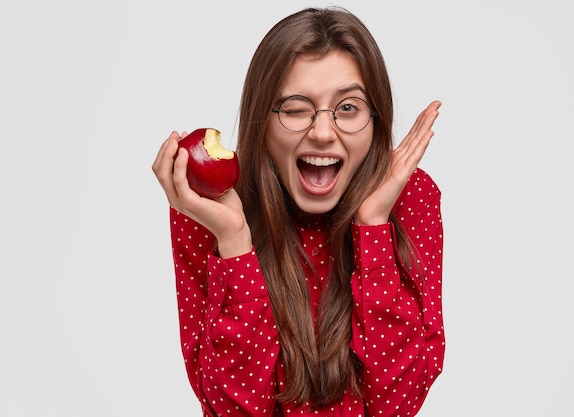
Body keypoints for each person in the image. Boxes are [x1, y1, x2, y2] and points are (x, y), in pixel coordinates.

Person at [152, 6, 444, 417]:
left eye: (348, 108)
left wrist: (373, 226)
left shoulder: (411, 196)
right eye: (294, 108)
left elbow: (399, 404)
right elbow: (232, 411)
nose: (323, 133)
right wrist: (234, 242)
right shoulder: (209, 207)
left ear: (376, 119)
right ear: (261, 122)